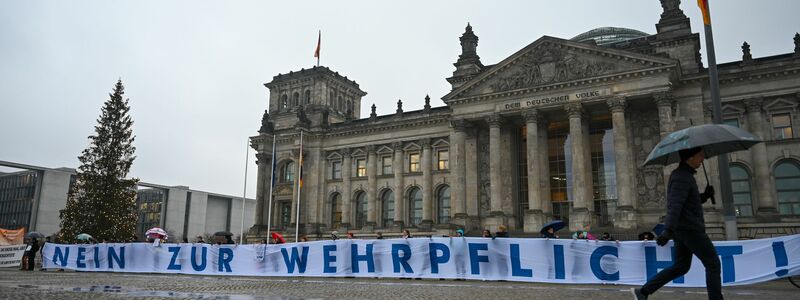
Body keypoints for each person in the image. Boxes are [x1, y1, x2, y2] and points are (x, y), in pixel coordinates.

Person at [632, 147, 720, 300]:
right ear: (690, 157)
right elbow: (675, 205)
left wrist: (705, 196)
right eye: (700, 155)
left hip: (684, 229)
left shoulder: (684, 176)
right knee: (713, 263)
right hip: (690, 229)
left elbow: (687, 202)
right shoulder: (682, 177)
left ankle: (643, 292)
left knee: (681, 267)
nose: (702, 158)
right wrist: (668, 230)